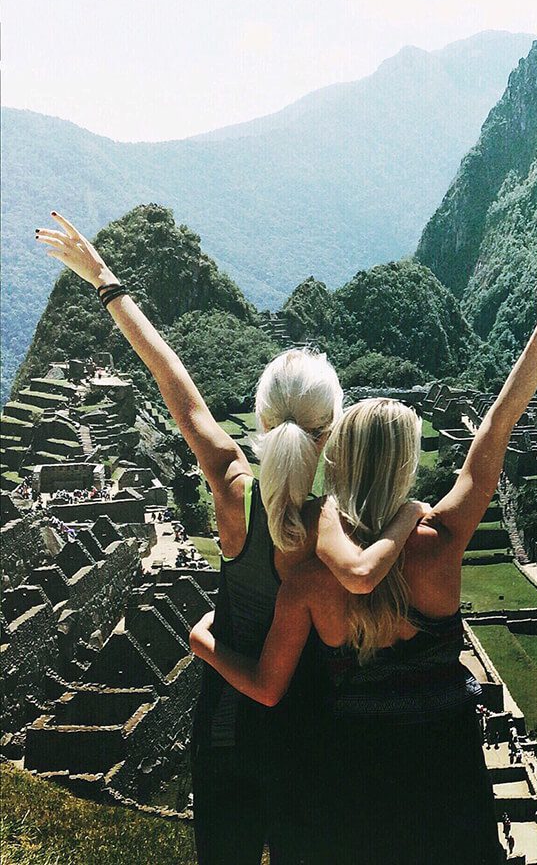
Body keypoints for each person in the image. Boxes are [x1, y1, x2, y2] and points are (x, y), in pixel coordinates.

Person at [37, 212, 424, 865]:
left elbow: (172, 381)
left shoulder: (231, 485)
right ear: (330, 430)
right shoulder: (329, 517)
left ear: (263, 418)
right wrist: (408, 515)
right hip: (306, 725)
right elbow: (362, 579)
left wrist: (102, 277)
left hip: (225, 722)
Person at [190, 247, 537, 864]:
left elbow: (271, 685)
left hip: (350, 779)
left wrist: (204, 641)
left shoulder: (308, 576)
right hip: (444, 768)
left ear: (340, 460)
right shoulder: (438, 545)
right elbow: (496, 429)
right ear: (408, 466)